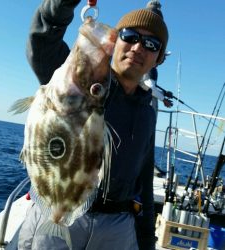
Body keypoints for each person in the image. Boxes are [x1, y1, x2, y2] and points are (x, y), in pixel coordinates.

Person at [18, 0, 169, 249]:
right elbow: (41, 45)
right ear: (116, 41)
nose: (137, 47)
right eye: (129, 36)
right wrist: (62, 4)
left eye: (150, 44)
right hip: (60, 212)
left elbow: (143, 180)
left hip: (118, 227)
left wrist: (146, 242)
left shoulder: (147, 113)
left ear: (158, 59)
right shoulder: (86, 84)